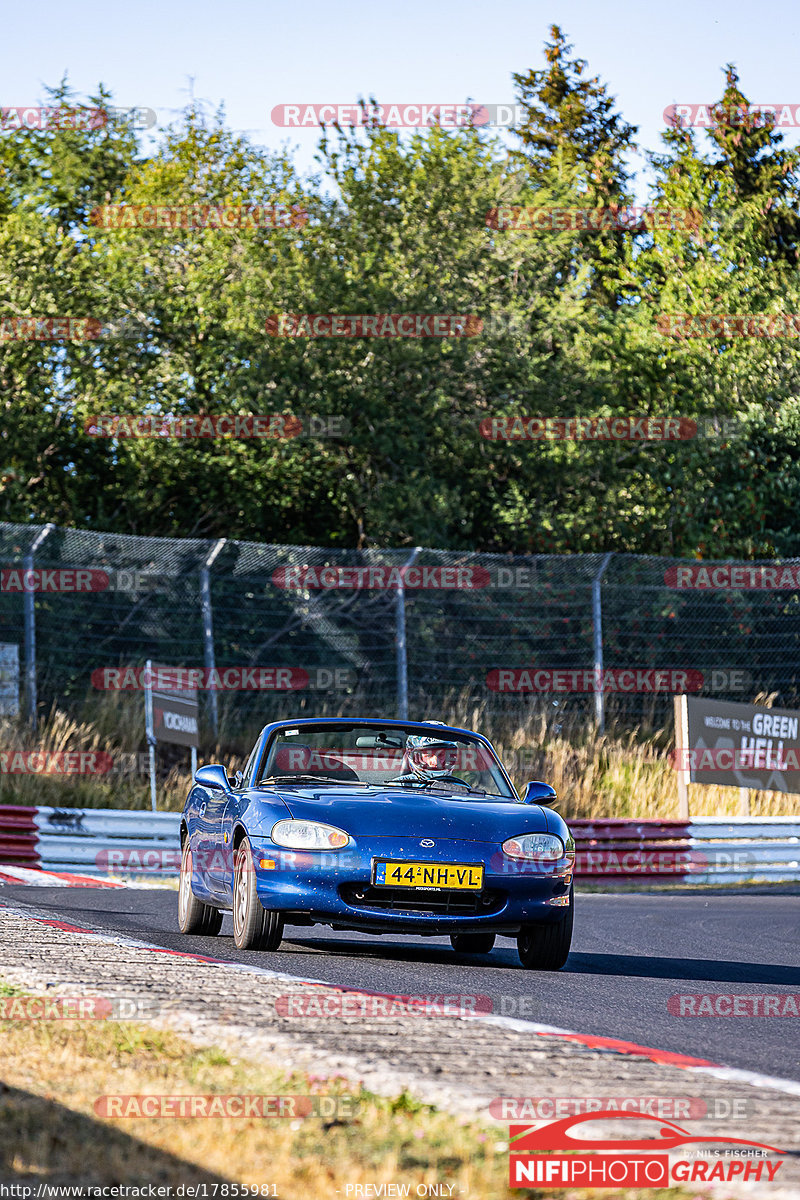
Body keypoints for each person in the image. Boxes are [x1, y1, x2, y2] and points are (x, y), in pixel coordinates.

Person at [388, 734, 468, 788]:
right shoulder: (398, 786)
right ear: (415, 757)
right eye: (429, 755)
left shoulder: (459, 788)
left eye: (440, 755)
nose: (436, 762)